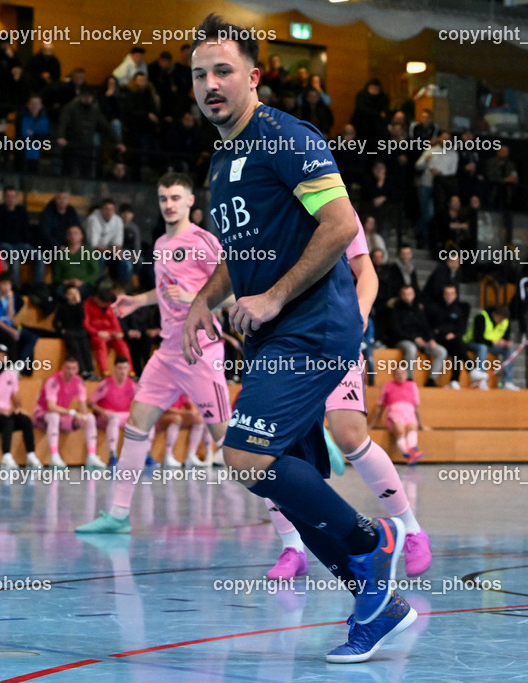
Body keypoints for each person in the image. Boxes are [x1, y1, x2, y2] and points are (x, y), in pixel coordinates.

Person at [181, 15, 416, 663]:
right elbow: (238, 251)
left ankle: (375, 541)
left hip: (312, 327)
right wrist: (207, 300)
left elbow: (340, 224)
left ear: (254, 77)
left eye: (223, 70)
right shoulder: (224, 158)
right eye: (200, 74)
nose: (210, 84)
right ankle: (378, 603)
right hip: (273, 335)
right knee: (296, 478)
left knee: (247, 456)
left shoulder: (286, 136)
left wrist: (276, 295)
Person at [265, 213, 433, 582]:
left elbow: (366, 273)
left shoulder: (331, 203)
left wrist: (353, 317)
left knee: (350, 435)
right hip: (285, 345)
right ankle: (292, 547)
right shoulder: (268, 210)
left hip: (333, 338)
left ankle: (411, 529)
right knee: (263, 450)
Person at [75, 172, 232, 534]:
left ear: (191, 202)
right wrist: (139, 299)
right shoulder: (160, 243)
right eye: (163, 198)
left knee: (232, 448)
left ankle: (291, 525)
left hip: (202, 351)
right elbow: (166, 290)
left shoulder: (203, 241)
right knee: (135, 426)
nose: (169, 205)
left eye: (176, 197)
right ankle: (118, 514)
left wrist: (197, 299)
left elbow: (237, 293)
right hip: (167, 354)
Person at [31, 357, 97, 469]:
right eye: (68, 368)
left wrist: (83, 417)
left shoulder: (79, 381)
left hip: (62, 415)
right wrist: (72, 412)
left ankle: (91, 456)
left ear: (77, 369)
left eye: (74, 369)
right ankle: (54, 456)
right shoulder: (53, 380)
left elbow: (83, 406)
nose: (71, 372)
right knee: (54, 416)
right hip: (42, 414)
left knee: (90, 418)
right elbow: (51, 407)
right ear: (62, 368)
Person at [85, 356, 137, 468]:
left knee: (144, 419)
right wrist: (102, 410)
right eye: (119, 368)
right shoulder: (106, 384)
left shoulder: (131, 384)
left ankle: (145, 454)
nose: (122, 371)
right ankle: (112, 455)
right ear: (114, 368)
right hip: (105, 418)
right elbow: (90, 402)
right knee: (114, 418)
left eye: (125, 368)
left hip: (123, 416)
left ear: (128, 369)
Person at [370, 366, 428, 463]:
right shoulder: (387, 385)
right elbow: (380, 407)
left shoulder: (412, 385)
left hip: (409, 412)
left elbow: (416, 407)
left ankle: (412, 450)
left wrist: (421, 425)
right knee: (400, 429)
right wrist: (372, 424)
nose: (400, 376)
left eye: (403, 373)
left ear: (406, 375)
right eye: (398, 373)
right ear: (393, 375)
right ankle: (407, 452)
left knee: (412, 427)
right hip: (394, 413)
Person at [463, 304, 520, 391]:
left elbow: (505, 336)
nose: (501, 321)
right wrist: (493, 342)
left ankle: (507, 381)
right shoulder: (481, 317)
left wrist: (505, 342)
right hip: (472, 342)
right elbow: (478, 337)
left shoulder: (505, 321)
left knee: (508, 350)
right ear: (495, 314)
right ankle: (481, 377)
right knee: (483, 347)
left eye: (503, 319)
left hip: (491, 345)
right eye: (500, 318)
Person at [83, 284, 131, 376]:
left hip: (110, 333)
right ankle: (104, 371)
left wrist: (118, 332)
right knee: (101, 344)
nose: (105, 305)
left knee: (122, 345)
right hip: (96, 334)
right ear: (97, 298)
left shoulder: (110, 306)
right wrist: (97, 332)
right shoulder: (87, 304)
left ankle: (129, 371)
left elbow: (114, 321)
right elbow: (86, 324)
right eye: (103, 302)